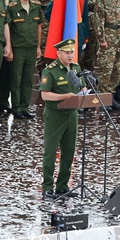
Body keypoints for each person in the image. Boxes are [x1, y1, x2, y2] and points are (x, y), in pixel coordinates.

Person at [40, 38, 84, 200]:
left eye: (72, 52)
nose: (70, 55)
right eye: (67, 52)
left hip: (72, 115)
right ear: (58, 53)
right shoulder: (50, 71)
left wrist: (85, 91)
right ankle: (47, 187)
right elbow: (45, 95)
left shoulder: (76, 68)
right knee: (50, 152)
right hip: (55, 116)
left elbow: (82, 86)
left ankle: (62, 186)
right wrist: (66, 96)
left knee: (69, 152)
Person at [7, 0, 42, 119]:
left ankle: (24, 106)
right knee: (16, 78)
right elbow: (8, 28)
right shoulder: (12, 8)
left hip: (31, 47)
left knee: (28, 79)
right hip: (18, 47)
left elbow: (39, 27)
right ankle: (16, 107)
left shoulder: (35, 7)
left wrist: (38, 47)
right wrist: (9, 47)